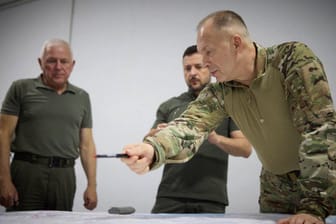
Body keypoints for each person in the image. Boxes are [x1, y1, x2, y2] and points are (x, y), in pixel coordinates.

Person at [121, 10, 336, 224]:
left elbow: (319, 129)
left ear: (236, 43)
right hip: (275, 188)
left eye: (209, 52)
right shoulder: (220, 92)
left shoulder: (290, 60)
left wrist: (314, 207)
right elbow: (189, 127)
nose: (204, 63)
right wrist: (152, 150)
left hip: (321, 182)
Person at [147, 45, 252, 213]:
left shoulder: (227, 104)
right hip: (169, 196)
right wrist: (158, 134)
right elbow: (147, 141)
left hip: (210, 198)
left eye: (198, 66)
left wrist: (215, 139)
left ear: (209, 67)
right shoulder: (169, 106)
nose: (192, 73)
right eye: (187, 68)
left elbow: (245, 149)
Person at [0, 38, 98, 211]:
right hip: (27, 172)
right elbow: (3, 135)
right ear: (40, 63)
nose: (58, 67)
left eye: (64, 61)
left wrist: (92, 185)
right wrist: (4, 180)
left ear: (72, 64)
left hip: (64, 176)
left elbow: (87, 145)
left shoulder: (82, 96)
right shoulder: (21, 88)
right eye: (51, 61)